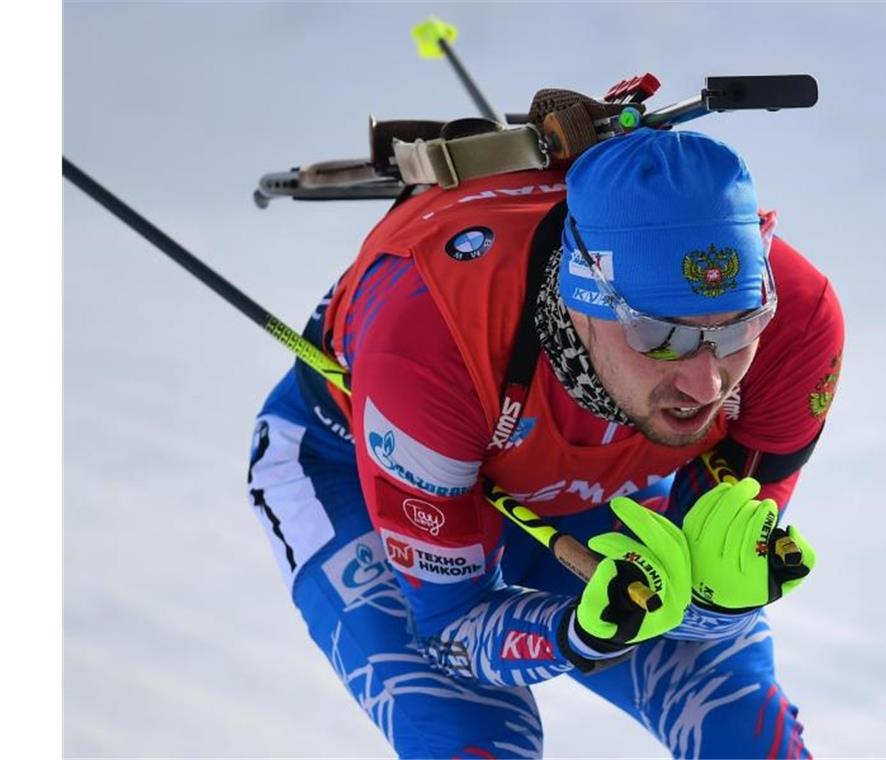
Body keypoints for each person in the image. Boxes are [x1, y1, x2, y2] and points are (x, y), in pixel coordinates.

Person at [247, 126, 843, 758]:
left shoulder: (797, 323)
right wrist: (574, 635)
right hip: (353, 470)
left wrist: (716, 602)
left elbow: (706, 580)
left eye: (735, 331)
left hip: (592, 490)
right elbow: (450, 629)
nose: (707, 380)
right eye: (661, 337)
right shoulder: (431, 340)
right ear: (584, 302)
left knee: (741, 731)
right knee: (475, 739)